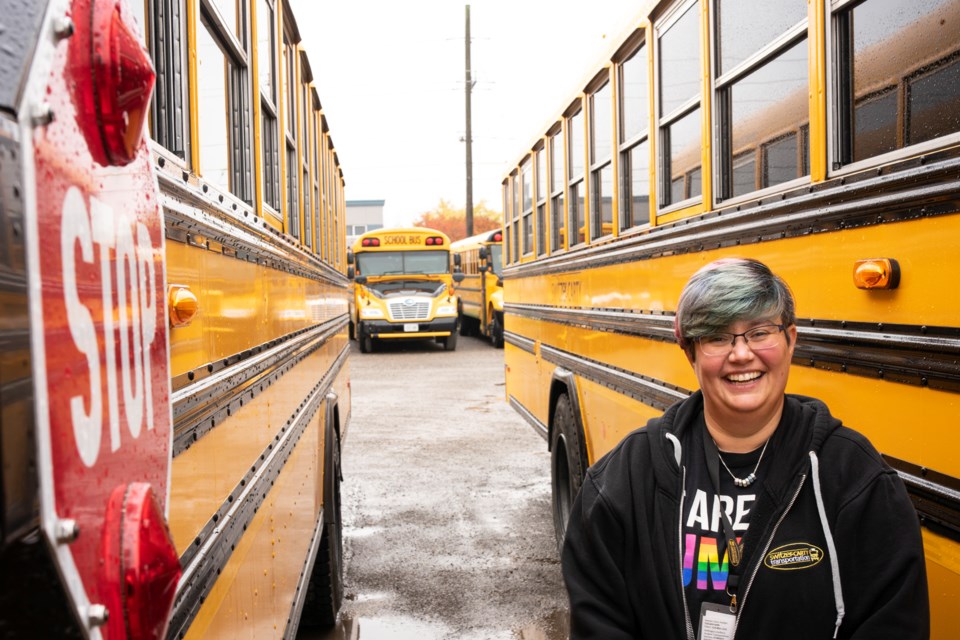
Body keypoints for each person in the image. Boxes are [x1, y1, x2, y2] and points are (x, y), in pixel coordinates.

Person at [561, 258, 929, 639]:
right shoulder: (624, 482)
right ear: (690, 353)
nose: (740, 354)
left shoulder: (855, 480)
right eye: (717, 337)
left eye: (760, 332)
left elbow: (894, 623)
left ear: (791, 340)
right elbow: (598, 621)